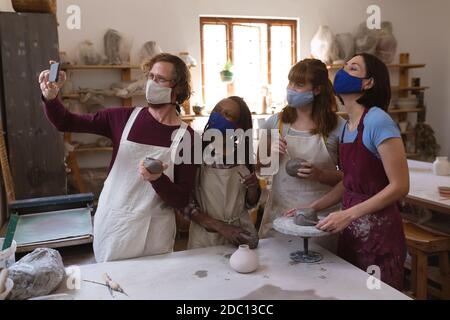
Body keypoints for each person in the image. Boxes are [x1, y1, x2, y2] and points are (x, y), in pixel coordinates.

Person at [39, 53, 196, 262]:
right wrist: (51, 98)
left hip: (154, 233)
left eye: (159, 79)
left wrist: (159, 179)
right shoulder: (122, 118)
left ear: (177, 88)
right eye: (150, 77)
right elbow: (66, 122)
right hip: (114, 225)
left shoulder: (188, 138)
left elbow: (181, 199)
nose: (151, 83)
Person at [291, 53, 408, 290]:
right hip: (352, 230)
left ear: (368, 83)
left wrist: (350, 214)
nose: (343, 72)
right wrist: (314, 207)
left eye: (353, 68)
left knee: (376, 295)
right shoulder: (348, 125)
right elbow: (349, 182)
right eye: (344, 67)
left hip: (379, 232)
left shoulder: (377, 120)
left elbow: (400, 186)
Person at [258, 59, 345, 253]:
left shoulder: (338, 127)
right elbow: (261, 169)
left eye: (299, 84)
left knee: (320, 274)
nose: (291, 89)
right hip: (281, 216)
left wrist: (320, 175)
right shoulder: (275, 123)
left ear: (317, 90)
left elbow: (351, 180)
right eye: (290, 83)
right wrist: (268, 154)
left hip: (321, 220)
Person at [181, 96, 260, 249]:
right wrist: (221, 227)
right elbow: (184, 203)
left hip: (240, 232)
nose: (218, 116)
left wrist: (253, 188)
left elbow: (250, 203)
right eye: (217, 110)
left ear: (238, 128)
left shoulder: (243, 155)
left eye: (227, 115)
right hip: (205, 235)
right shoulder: (193, 151)